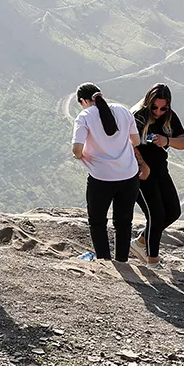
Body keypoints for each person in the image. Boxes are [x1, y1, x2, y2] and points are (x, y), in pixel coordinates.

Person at [72, 83, 149, 262]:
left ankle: (104, 261)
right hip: (128, 175)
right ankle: (122, 261)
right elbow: (136, 141)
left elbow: (76, 150)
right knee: (123, 222)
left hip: (101, 177)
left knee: (97, 221)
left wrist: (84, 156)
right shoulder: (123, 110)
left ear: (82, 101)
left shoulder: (84, 116)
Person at [130, 84, 184, 265]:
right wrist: (142, 165)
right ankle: (153, 261)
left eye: (163, 108)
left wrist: (167, 140)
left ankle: (140, 242)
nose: (158, 111)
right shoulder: (138, 116)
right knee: (156, 215)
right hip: (141, 173)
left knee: (173, 211)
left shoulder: (169, 116)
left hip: (161, 170)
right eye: (154, 107)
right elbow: (127, 144)